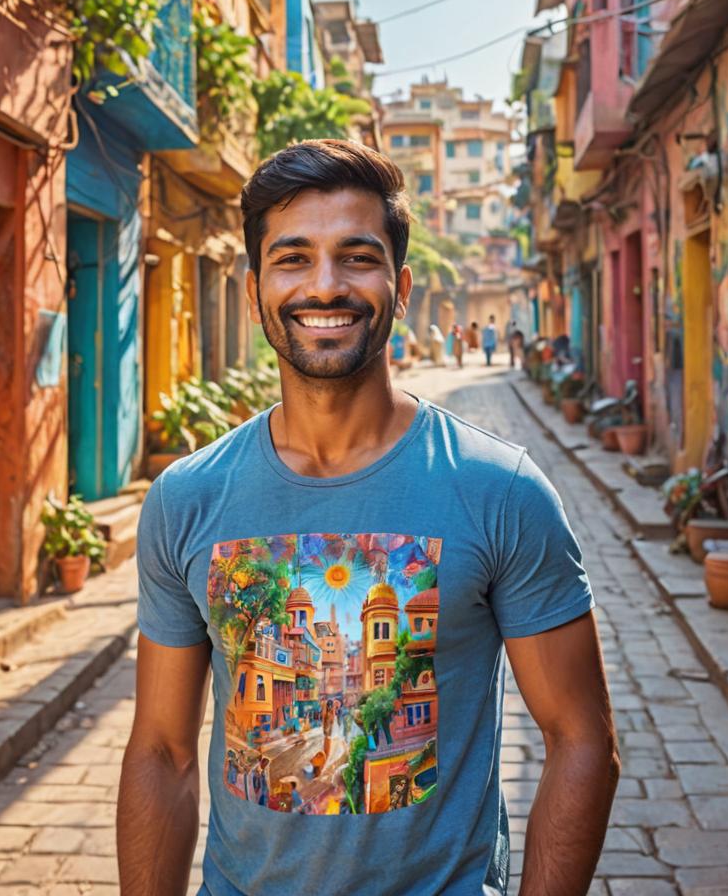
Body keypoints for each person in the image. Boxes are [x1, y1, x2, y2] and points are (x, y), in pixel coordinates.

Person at [118, 139, 618, 896]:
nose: (326, 286)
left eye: (357, 256)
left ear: (401, 285)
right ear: (255, 291)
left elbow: (581, 741)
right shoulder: (189, 498)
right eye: (293, 259)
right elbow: (161, 751)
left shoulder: (499, 489)